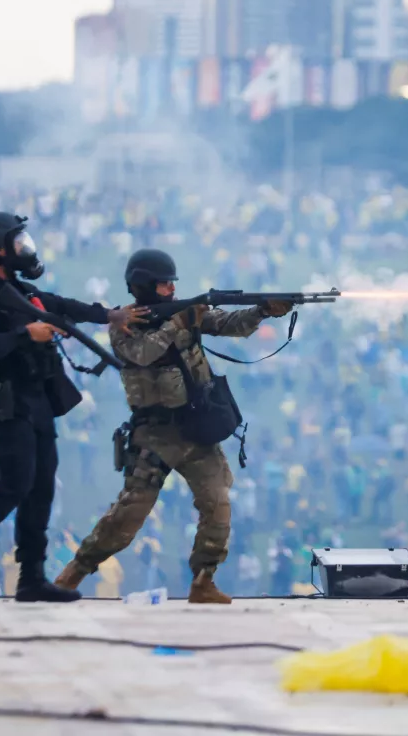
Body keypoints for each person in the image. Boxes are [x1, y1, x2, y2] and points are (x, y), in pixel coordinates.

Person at [0, 212, 143, 601]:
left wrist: (109, 315)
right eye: (16, 242)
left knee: (41, 487)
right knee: (15, 483)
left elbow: (64, 306)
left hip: (37, 400)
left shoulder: (21, 292)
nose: (25, 248)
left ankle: (31, 577)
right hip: (8, 402)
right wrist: (27, 333)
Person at [54, 248, 293, 604]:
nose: (170, 289)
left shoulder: (184, 312)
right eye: (164, 284)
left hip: (196, 429)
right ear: (144, 286)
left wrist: (262, 311)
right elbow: (141, 354)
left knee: (217, 503)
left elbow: (228, 324)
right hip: (153, 434)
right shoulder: (124, 322)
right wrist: (176, 324)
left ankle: (204, 580)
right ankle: (73, 573)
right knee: (128, 515)